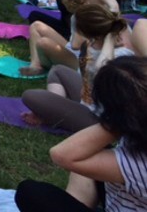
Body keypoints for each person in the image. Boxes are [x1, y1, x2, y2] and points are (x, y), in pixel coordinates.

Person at [16, 56, 147, 211]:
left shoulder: (138, 162)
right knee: (89, 150)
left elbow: (61, 155)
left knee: (31, 193)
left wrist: (117, 121)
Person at [20, 4, 134, 132]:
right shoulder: (89, 47)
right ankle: (50, 112)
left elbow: (101, 70)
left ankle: (49, 114)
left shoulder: (121, 55)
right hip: (89, 102)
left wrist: (109, 40)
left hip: (101, 120)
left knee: (29, 96)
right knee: (58, 69)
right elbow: (85, 81)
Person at [19, 0, 89, 76]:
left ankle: (47, 62)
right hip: (73, 50)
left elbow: (76, 45)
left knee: (43, 43)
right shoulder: (76, 17)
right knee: (36, 26)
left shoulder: (86, 17)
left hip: (82, 59)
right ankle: (35, 65)